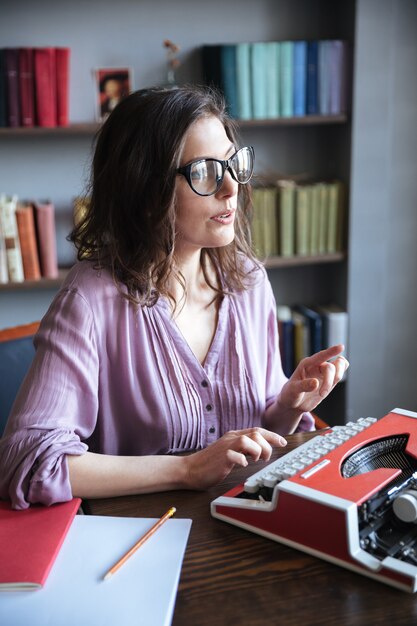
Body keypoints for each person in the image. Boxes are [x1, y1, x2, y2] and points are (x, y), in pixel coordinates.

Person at [0, 85, 348, 509]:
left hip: (246, 528)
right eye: (204, 171)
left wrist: (288, 406)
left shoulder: (250, 282)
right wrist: (186, 470)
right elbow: (30, 461)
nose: (230, 188)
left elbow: (257, 427)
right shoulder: (90, 299)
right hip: (140, 540)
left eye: (233, 164)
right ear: (145, 187)